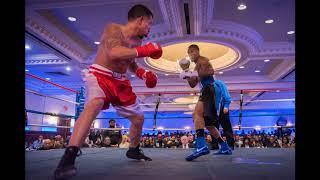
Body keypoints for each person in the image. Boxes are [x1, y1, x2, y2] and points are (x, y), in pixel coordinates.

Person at [54, 4, 162, 180]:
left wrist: (144, 74)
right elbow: (113, 52)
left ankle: (133, 150)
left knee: (139, 118)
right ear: (140, 20)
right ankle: (69, 157)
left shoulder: (138, 41)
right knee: (95, 103)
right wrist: (145, 51)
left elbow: (130, 62)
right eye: (149, 23)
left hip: (121, 81)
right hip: (100, 75)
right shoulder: (114, 29)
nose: (149, 28)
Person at [180, 44, 232, 161]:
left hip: (210, 88)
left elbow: (210, 71)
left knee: (196, 114)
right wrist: (186, 72)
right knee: (208, 124)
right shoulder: (196, 67)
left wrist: (191, 73)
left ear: (198, 51)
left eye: (193, 51)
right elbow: (193, 84)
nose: (191, 54)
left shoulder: (203, 60)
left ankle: (201, 145)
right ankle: (224, 147)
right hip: (208, 90)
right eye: (189, 52)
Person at [209, 76, 235, 150]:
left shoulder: (219, 83)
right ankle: (215, 145)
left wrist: (226, 105)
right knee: (213, 127)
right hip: (212, 109)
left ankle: (230, 145)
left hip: (222, 107)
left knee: (226, 127)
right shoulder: (206, 85)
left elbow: (226, 94)